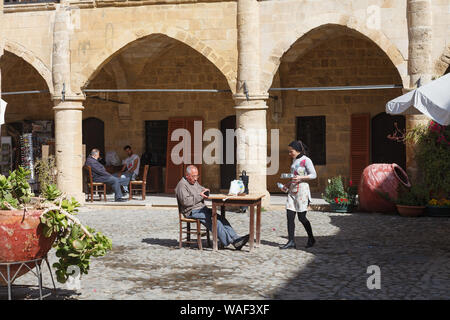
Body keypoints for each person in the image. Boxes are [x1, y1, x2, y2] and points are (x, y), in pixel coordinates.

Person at [175, 165, 250, 250]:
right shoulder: (182, 185)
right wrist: (200, 196)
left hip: (201, 208)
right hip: (192, 211)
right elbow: (185, 202)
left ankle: (236, 238)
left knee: (221, 218)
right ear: (187, 175)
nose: (196, 179)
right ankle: (232, 242)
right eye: (193, 176)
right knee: (214, 221)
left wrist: (206, 190)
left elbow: (202, 189)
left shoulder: (194, 182)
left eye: (197, 176)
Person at [279, 140, 317, 249]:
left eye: (291, 151)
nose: (290, 153)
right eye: (289, 151)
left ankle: (311, 237)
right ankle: (291, 241)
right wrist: (287, 184)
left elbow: (313, 175)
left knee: (302, 217)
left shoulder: (306, 160)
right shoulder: (295, 160)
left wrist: (301, 177)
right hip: (292, 190)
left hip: (302, 191)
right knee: (289, 216)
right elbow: (294, 176)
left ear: (298, 150)